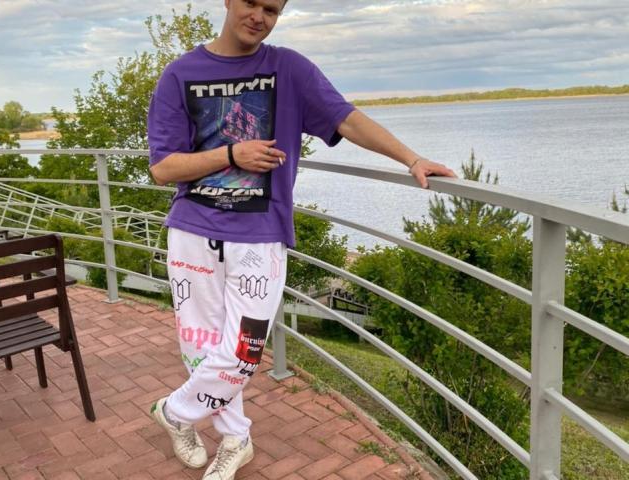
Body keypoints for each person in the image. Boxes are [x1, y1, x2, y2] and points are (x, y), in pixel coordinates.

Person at [147, 0, 456, 478]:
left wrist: (410, 158)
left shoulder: (289, 69)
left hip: (261, 233)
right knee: (201, 345)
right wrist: (231, 155)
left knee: (244, 350)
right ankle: (236, 438)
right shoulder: (180, 74)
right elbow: (164, 168)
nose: (259, 16)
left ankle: (174, 413)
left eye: (272, 9)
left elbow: (347, 119)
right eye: (251, 2)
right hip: (193, 231)